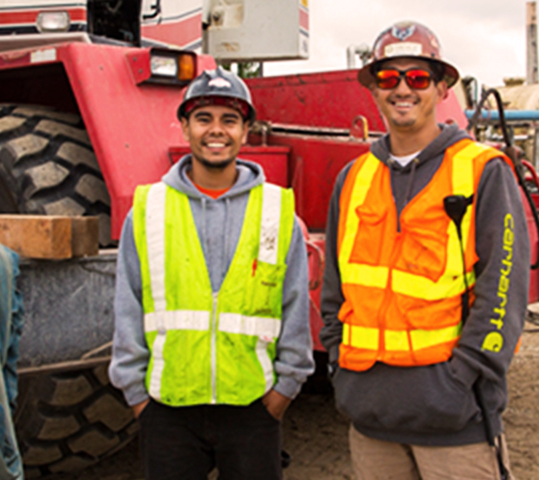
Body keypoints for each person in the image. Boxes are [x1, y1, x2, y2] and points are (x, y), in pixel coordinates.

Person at [320, 21, 530, 480]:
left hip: (457, 424)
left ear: (441, 86)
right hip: (370, 420)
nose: (402, 89)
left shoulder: (481, 171)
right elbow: (335, 291)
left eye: (417, 78)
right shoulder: (353, 179)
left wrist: (464, 378)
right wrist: (341, 367)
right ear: (373, 89)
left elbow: (503, 294)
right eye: (388, 78)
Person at [109, 67, 315, 480]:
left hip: (254, 409)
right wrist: (138, 398)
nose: (215, 130)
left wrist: (284, 390)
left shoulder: (276, 212)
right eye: (204, 118)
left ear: (246, 130)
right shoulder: (149, 211)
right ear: (184, 126)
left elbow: (294, 304)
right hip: (168, 412)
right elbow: (126, 305)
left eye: (229, 120)